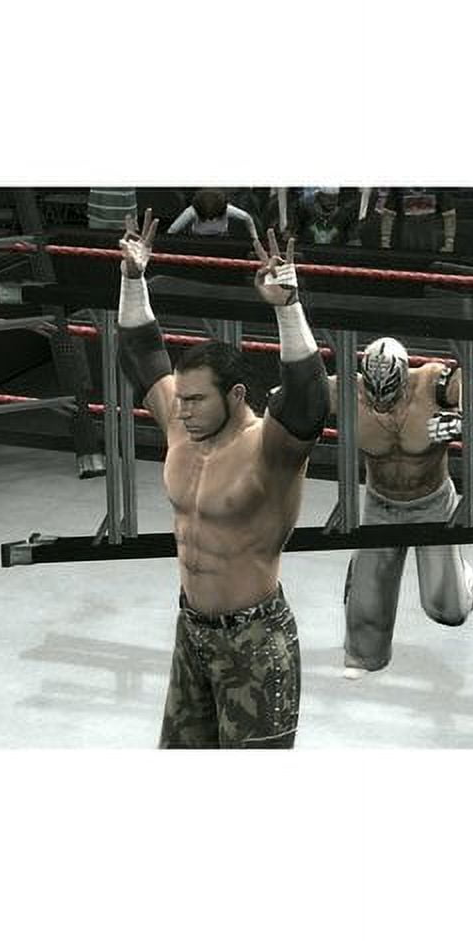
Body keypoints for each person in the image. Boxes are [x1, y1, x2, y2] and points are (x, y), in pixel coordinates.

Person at [116, 211, 328, 747]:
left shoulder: (267, 449)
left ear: (234, 396)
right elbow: (141, 354)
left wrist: (288, 308)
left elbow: (308, 400)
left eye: (195, 400)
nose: (181, 409)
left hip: (255, 642)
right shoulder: (182, 427)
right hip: (192, 633)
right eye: (181, 398)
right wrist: (133, 279)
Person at [327, 337, 473, 677]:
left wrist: (463, 417)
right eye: (374, 396)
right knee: (367, 605)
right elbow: (300, 392)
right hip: (380, 505)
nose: (381, 404)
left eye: (389, 395)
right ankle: (364, 656)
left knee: (448, 610)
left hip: (432, 505)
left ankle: (463, 579)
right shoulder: (346, 390)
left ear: (403, 379)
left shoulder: (431, 382)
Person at [167, 188, 261, 248]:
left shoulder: (227, 209)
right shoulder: (192, 211)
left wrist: (255, 239)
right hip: (198, 240)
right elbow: (172, 230)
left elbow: (247, 218)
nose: (211, 219)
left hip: (221, 239)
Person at [380, 187, 457, 253]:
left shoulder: (438, 189)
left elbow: (449, 215)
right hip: (404, 243)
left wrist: (449, 243)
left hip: (432, 244)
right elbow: (388, 215)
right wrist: (385, 242)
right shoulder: (398, 190)